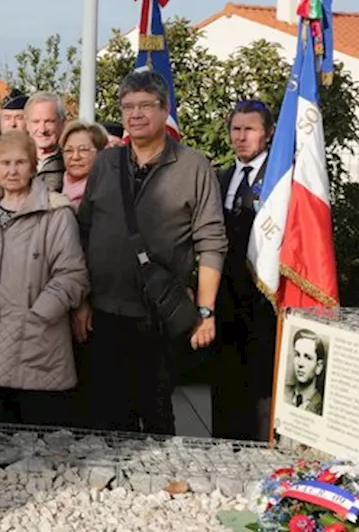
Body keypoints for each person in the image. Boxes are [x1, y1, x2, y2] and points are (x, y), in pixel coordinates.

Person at [74, 70, 226, 435]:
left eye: (145, 106)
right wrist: (80, 302)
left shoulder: (193, 166)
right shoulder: (107, 163)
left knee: (156, 411)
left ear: (164, 110)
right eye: (128, 107)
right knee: (109, 413)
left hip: (158, 317)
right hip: (105, 313)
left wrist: (205, 310)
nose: (135, 114)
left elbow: (211, 241)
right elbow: (83, 232)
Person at [0, 131, 89, 426]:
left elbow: (73, 275)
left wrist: (37, 314)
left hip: (37, 349)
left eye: (20, 162)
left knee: (38, 455)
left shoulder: (55, 213)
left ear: (33, 166)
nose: (12, 170)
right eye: (5, 163)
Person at [212, 99, 277, 440]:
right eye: (236, 129)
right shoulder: (220, 177)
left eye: (250, 129)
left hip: (264, 301)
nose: (241, 137)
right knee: (224, 380)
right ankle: (222, 446)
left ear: (267, 134)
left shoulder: (280, 182)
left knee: (259, 386)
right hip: (224, 296)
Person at [58, 121, 110, 210]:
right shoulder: (55, 186)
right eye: (69, 151)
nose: (75, 157)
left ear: (100, 152)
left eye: (83, 150)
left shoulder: (108, 192)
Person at [25, 92, 66, 193]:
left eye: (49, 121)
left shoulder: (71, 163)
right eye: (36, 122)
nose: (42, 129)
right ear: (27, 124)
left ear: (62, 123)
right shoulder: (14, 161)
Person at [286, 328, 326, 415]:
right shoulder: (284, 393)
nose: (300, 363)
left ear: (318, 367)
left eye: (307, 357)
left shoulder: (322, 407)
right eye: (297, 355)